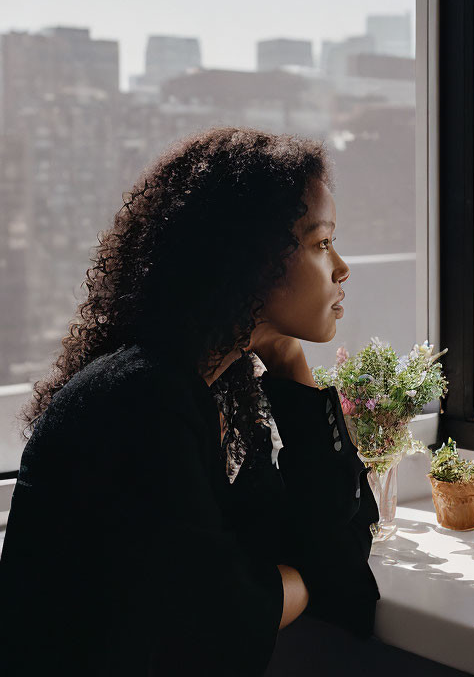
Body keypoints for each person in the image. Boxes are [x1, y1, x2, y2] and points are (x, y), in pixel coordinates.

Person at [0, 127, 380, 676]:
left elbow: (340, 533)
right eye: (322, 243)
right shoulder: (140, 401)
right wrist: (316, 574)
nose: (341, 268)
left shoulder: (208, 394)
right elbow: (224, 617)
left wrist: (289, 363)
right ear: (250, 259)